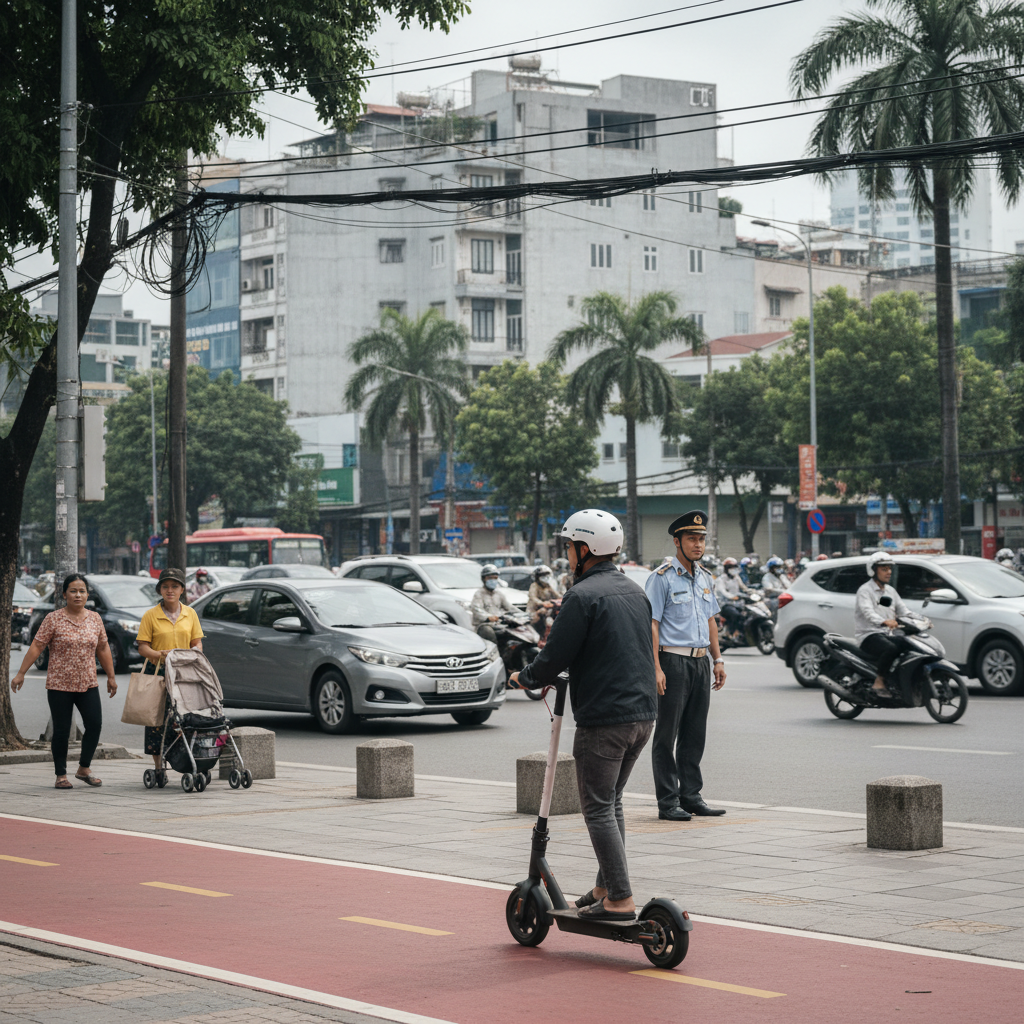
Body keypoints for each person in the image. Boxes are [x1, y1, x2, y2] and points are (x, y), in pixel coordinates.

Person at [511, 509, 656, 922]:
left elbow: (554, 656)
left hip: (605, 718)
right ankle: (606, 886)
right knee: (613, 802)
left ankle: (621, 898)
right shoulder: (633, 589)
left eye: (569, 547)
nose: (567, 555)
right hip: (643, 715)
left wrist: (526, 676)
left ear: (585, 549)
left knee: (596, 807)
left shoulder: (582, 595)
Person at [645, 512, 727, 822]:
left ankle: (691, 796)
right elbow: (652, 624)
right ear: (677, 542)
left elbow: (711, 620)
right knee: (667, 734)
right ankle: (668, 801)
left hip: (700, 661)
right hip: (673, 660)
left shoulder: (705, 576)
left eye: (702, 538)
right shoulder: (662, 577)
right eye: (692, 538)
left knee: (695, 732)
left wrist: (717, 660)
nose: (698, 544)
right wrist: (655, 667)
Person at [10, 573, 117, 789]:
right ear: (64, 594)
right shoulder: (53, 619)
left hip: (88, 682)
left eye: (82, 591)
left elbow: (103, 647)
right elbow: (37, 646)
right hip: (59, 684)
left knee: (94, 724)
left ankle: (84, 768)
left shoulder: (95, 619)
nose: (78, 595)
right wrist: (21, 672)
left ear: (87, 594)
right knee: (61, 729)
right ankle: (60, 774)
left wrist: (112, 677)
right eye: (73, 591)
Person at [136, 568, 205, 775]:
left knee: (185, 716)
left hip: (183, 671)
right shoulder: (151, 615)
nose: (170, 590)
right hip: (157, 671)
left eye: (174, 586)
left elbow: (197, 643)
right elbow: (142, 647)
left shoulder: (190, 613)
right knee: (157, 719)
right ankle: (159, 765)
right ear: (160, 590)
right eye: (165, 587)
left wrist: (192, 654)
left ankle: (187, 758)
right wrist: (159, 655)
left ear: (182, 589)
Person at [855, 552, 910, 698]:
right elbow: (868, 612)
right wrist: (884, 621)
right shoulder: (865, 591)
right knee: (891, 648)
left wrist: (921, 620)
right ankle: (879, 682)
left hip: (887, 634)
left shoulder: (891, 591)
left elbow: (904, 610)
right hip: (868, 635)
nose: (889, 572)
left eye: (890, 569)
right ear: (873, 571)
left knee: (908, 643)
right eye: (884, 569)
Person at [469, 563, 516, 643]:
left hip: (498, 624)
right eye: (490, 578)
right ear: (484, 579)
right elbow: (477, 609)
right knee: (488, 632)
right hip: (484, 625)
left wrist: (525, 615)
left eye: (495, 578)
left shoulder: (498, 594)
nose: (493, 580)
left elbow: (509, 607)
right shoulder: (479, 594)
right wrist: (489, 617)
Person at [714, 557, 750, 639]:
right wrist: (732, 597)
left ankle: (741, 634)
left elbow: (744, 588)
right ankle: (729, 633)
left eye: (734, 567)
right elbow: (723, 592)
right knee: (735, 615)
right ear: (726, 569)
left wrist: (752, 592)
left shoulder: (736, 577)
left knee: (746, 615)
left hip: (738, 603)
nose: (733, 569)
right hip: (725, 604)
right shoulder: (721, 579)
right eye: (731, 567)